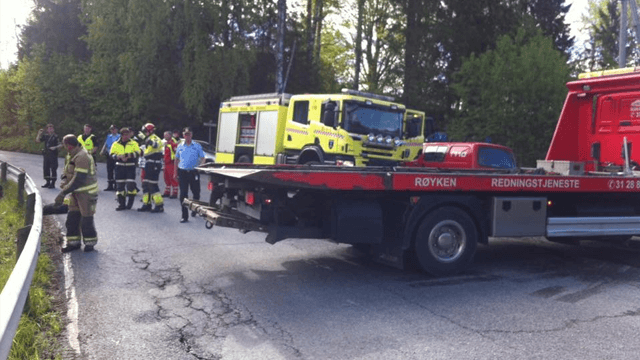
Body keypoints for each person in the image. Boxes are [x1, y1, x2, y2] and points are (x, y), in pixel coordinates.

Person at [54, 134, 99, 252]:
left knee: (86, 220)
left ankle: (90, 243)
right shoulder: (72, 155)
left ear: (69, 146)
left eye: (64, 145)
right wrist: (64, 180)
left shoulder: (82, 156)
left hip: (86, 193)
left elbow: (79, 179)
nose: (63, 148)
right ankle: (73, 243)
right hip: (75, 192)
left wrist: (63, 192)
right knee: (72, 218)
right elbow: (67, 172)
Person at [174, 127, 204, 223]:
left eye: (189, 134)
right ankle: (184, 216)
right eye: (186, 134)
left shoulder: (197, 146)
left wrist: (200, 167)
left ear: (191, 135)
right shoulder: (180, 146)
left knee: (196, 192)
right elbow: (176, 160)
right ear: (183, 135)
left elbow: (203, 158)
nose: (187, 136)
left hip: (193, 172)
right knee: (183, 194)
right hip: (183, 172)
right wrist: (175, 173)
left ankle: (195, 209)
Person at [110, 127, 141, 210]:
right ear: (122, 135)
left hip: (130, 166)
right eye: (124, 135)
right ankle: (121, 204)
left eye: (128, 135)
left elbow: (138, 153)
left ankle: (130, 204)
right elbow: (112, 154)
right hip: (119, 167)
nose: (126, 136)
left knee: (130, 185)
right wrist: (118, 157)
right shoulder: (115, 144)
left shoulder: (133, 143)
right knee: (120, 187)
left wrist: (128, 155)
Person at [137, 123, 165, 212]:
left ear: (150, 130)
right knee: (145, 184)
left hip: (154, 163)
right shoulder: (149, 139)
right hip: (149, 163)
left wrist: (146, 139)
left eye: (145, 131)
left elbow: (155, 145)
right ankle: (147, 204)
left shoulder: (155, 138)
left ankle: (159, 205)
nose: (145, 133)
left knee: (153, 185)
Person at [35, 124, 62, 188]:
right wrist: (39, 134)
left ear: (53, 129)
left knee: (53, 169)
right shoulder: (46, 136)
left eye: (51, 128)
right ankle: (47, 182)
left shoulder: (56, 136)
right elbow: (37, 141)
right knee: (46, 168)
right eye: (49, 128)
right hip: (46, 154)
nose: (50, 129)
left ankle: (53, 183)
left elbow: (61, 144)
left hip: (53, 154)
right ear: (47, 129)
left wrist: (55, 147)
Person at [100, 124, 120, 191]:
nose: (112, 131)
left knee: (117, 170)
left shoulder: (119, 136)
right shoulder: (109, 136)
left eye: (114, 129)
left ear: (116, 130)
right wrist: (102, 150)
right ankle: (110, 185)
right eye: (111, 129)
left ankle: (117, 185)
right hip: (109, 154)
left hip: (117, 155)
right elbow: (106, 144)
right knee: (109, 170)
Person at [162, 130, 178, 198]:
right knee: (166, 177)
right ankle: (167, 192)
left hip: (171, 162)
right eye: (164, 135)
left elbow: (176, 151)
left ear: (170, 135)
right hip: (166, 162)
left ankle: (175, 193)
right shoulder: (164, 142)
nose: (164, 136)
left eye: (166, 135)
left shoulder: (172, 142)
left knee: (172, 177)